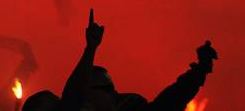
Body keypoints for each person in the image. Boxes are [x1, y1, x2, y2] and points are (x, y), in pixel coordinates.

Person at [58, 9, 217, 111]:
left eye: (109, 89)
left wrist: (198, 74)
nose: (112, 92)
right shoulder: (74, 104)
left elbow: (168, 103)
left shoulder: (130, 106)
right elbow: (72, 98)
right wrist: (90, 49)